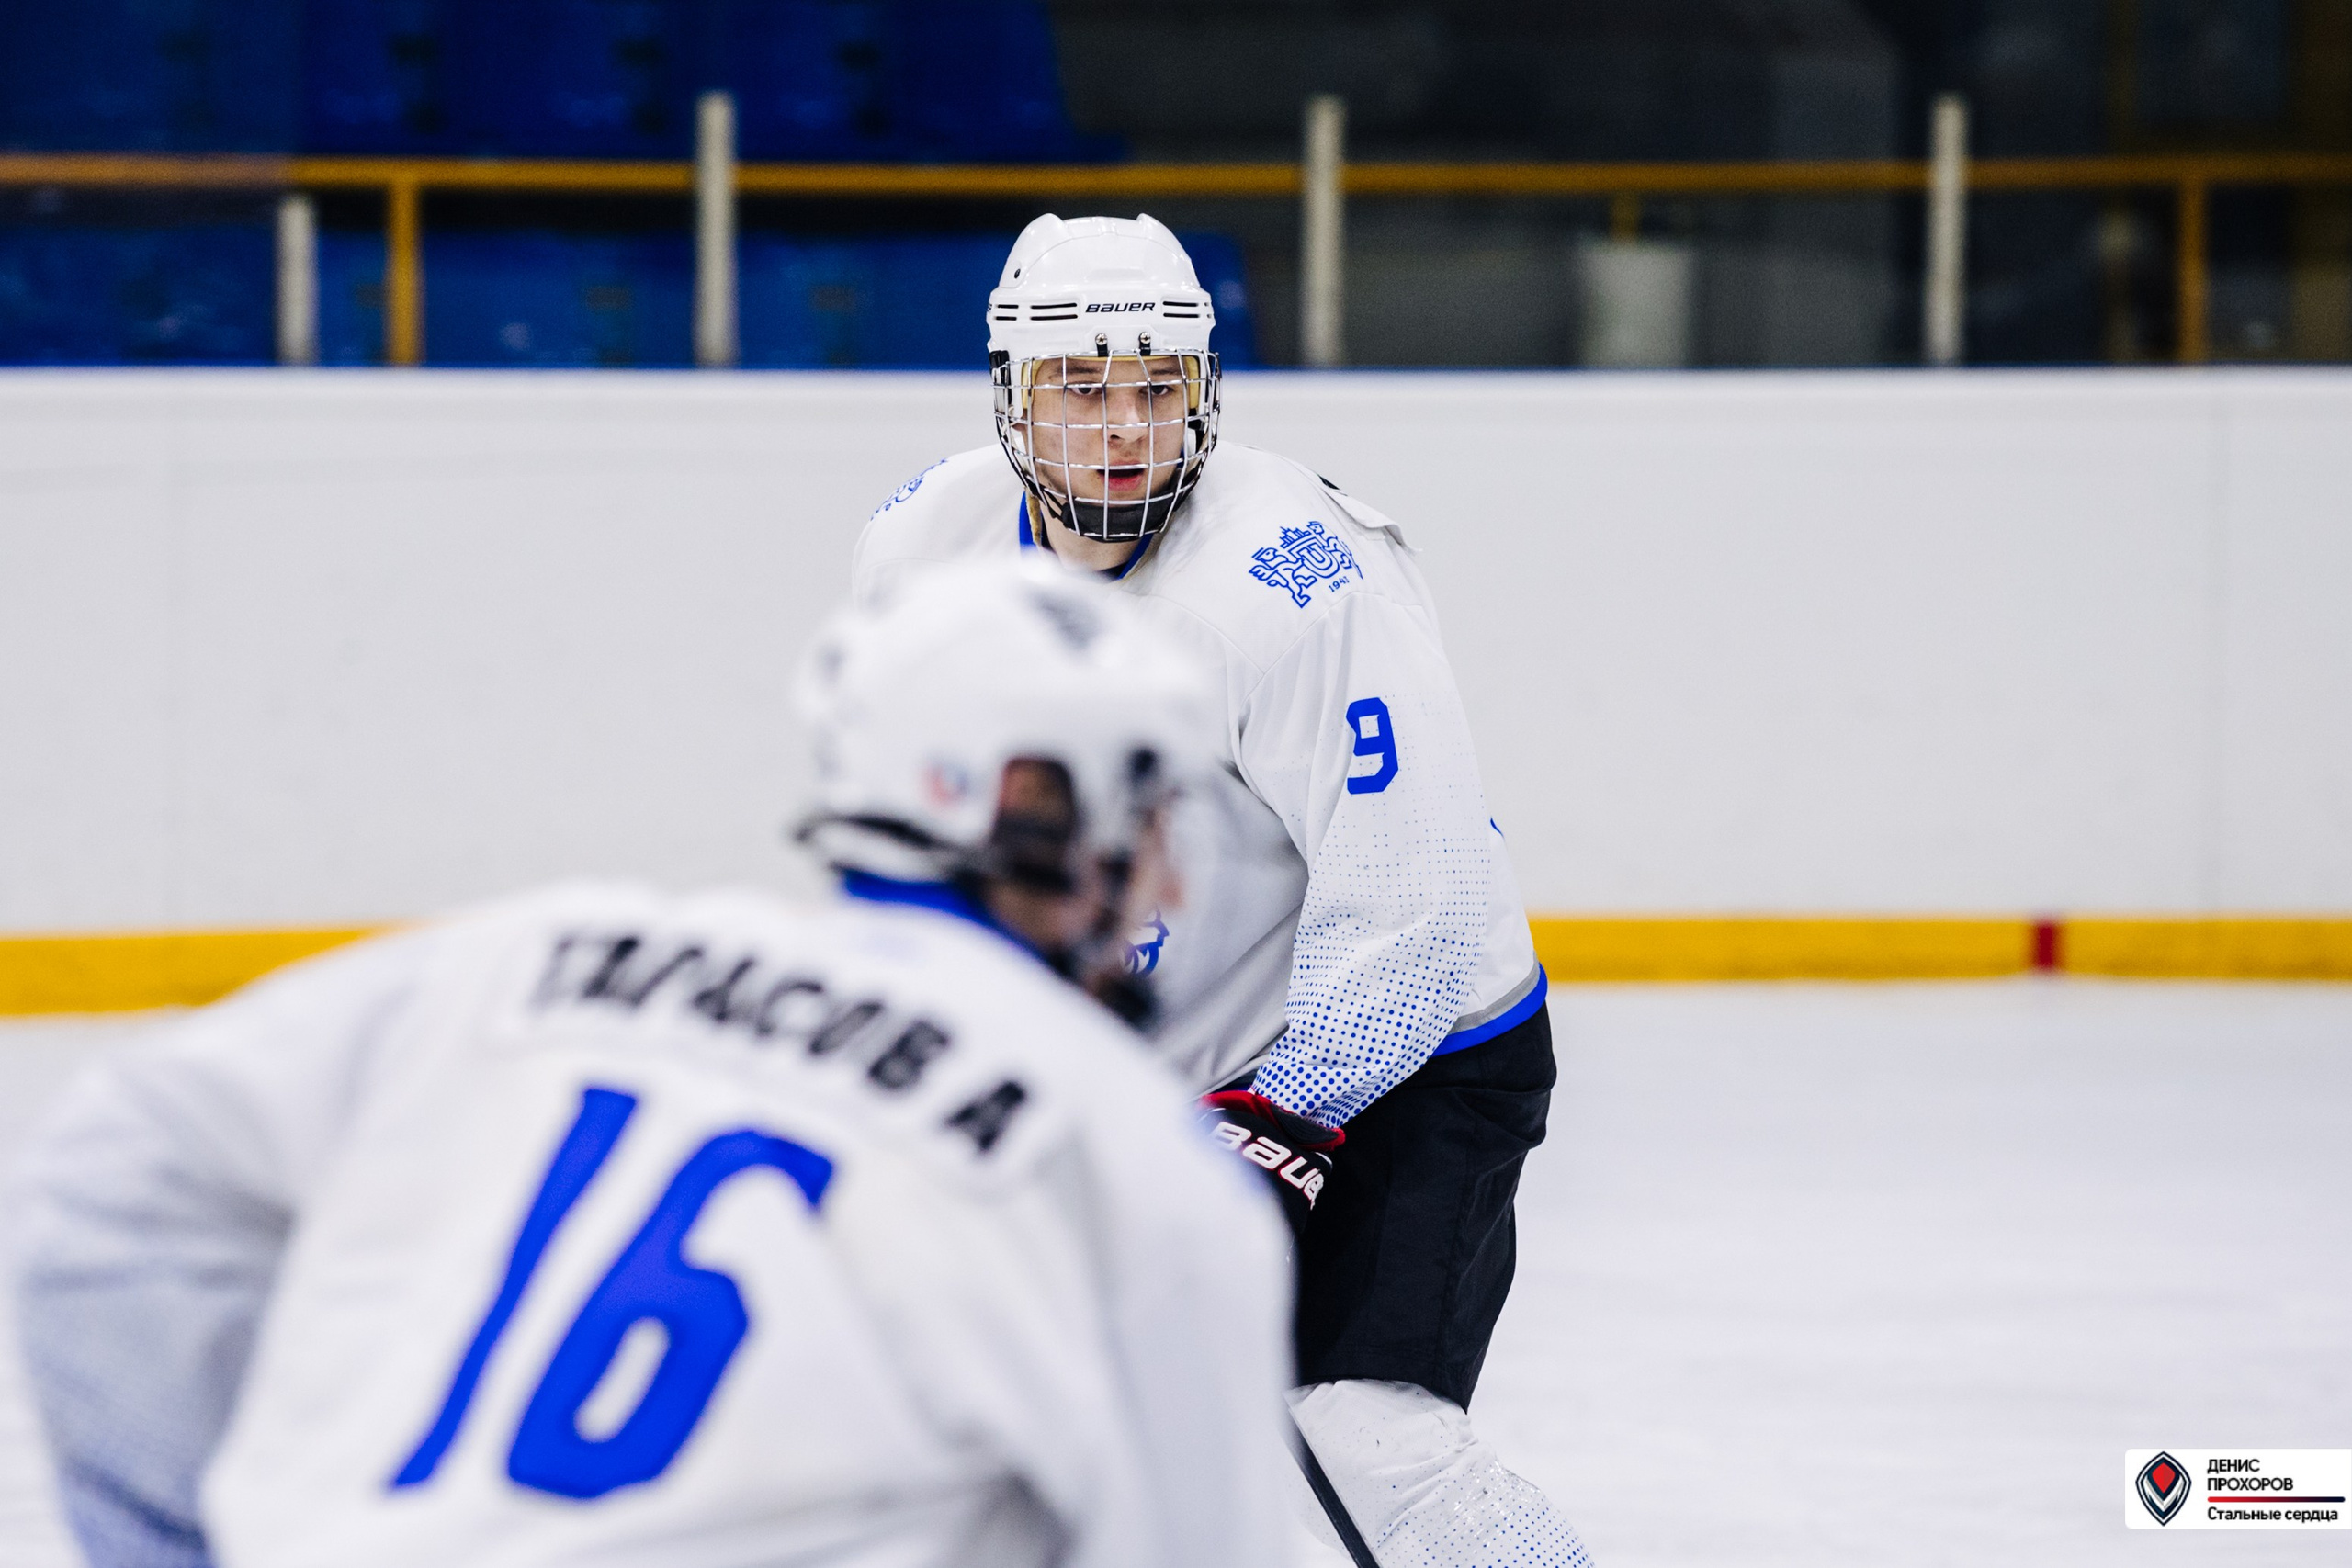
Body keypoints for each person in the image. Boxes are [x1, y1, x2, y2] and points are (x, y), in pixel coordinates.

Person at [11, 560, 1294, 1568]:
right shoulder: (1126, 1152)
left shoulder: (537, 952)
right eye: (1151, 816)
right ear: (1026, 801)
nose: (1170, 880)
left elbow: (110, 1198)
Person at [851, 214, 1591, 1566]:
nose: (1125, 427)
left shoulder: (1298, 579)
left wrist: (1279, 1122)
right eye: (1081, 388)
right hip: (1180, 1066)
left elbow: (1417, 902)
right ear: (1010, 396)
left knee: (1361, 1430)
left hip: (1412, 1057)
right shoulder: (924, 546)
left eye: (1157, 386)